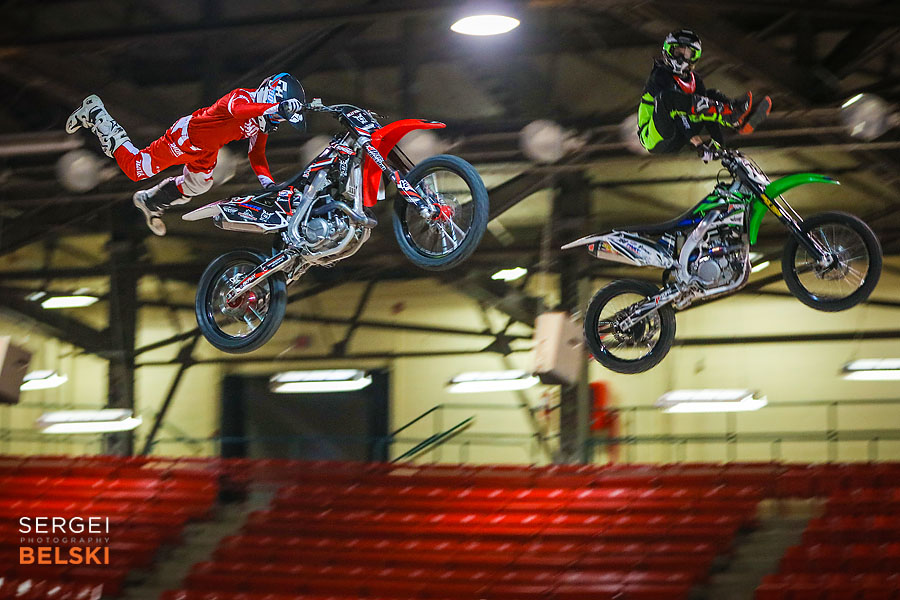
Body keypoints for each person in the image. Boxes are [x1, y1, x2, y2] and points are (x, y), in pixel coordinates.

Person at [65, 73, 307, 236]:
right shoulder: (242, 97)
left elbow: (257, 154)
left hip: (206, 150)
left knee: (199, 184)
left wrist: (268, 183)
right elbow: (237, 110)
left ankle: (151, 200)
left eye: (280, 118)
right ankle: (97, 115)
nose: (276, 120)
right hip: (186, 138)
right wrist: (276, 109)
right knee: (135, 169)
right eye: (278, 114)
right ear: (270, 97)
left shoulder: (259, 122)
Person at [637, 29, 772, 157]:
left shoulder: (696, 80)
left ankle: (738, 121)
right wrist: (698, 143)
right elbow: (677, 115)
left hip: (679, 136)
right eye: (678, 51)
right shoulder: (660, 75)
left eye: (688, 54)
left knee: (710, 95)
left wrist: (720, 144)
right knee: (668, 98)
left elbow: (706, 112)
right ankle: (730, 113)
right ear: (668, 50)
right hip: (655, 135)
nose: (682, 58)